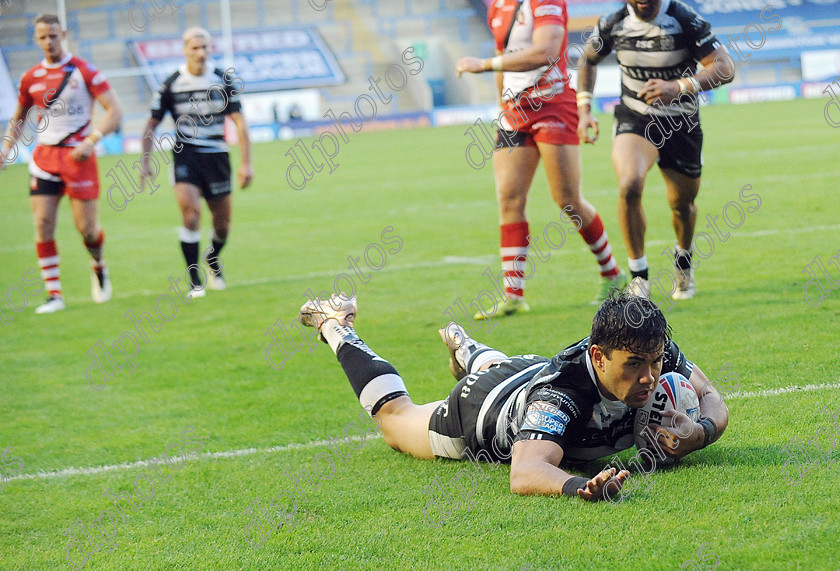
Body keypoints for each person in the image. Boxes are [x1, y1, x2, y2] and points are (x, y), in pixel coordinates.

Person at [298, 290, 728, 501]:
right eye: (634, 365)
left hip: (529, 368)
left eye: (655, 363)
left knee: (509, 367)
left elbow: (711, 395)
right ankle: (335, 325)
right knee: (394, 419)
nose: (650, 376)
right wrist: (580, 485)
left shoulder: (649, 345)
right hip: (482, 409)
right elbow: (525, 472)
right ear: (598, 356)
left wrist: (702, 432)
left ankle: (467, 347)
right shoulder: (560, 397)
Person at [455, 0, 627, 317]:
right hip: (514, 112)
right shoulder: (498, 5)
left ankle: (613, 274)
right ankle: (513, 295)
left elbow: (546, 51)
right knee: (509, 198)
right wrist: (500, 107)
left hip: (553, 106)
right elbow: (506, 57)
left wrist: (483, 64)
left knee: (567, 199)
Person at [576, 0, 735, 300]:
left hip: (681, 123)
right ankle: (639, 278)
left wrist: (678, 87)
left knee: (682, 205)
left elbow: (725, 68)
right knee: (630, 183)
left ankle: (683, 262)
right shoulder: (613, 23)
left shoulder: (683, 18)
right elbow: (587, 59)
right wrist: (584, 108)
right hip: (636, 117)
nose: (643, 2)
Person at [0, 14, 123, 314]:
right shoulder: (30, 78)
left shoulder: (84, 71)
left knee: (88, 231)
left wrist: (91, 140)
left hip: (78, 158)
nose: (49, 42)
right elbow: (18, 118)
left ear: (63, 35)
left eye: (53, 36)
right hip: (44, 158)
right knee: (42, 224)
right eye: (43, 37)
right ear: (36, 39)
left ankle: (99, 265)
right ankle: (54, 295)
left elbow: (114, 110)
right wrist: (6, 148)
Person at [139, 27, 253, 297]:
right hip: (185, 154)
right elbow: (151, 123)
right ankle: (194, 280)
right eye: (195, 48)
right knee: (191, 215)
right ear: (185, 49)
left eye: (205, 47)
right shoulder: (171, 84)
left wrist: (246, 163)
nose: (201, 53)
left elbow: (240, 123)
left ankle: (212, 258)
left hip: (217, 156)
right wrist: (145, 161)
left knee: (222, 225)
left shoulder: (222, 80)